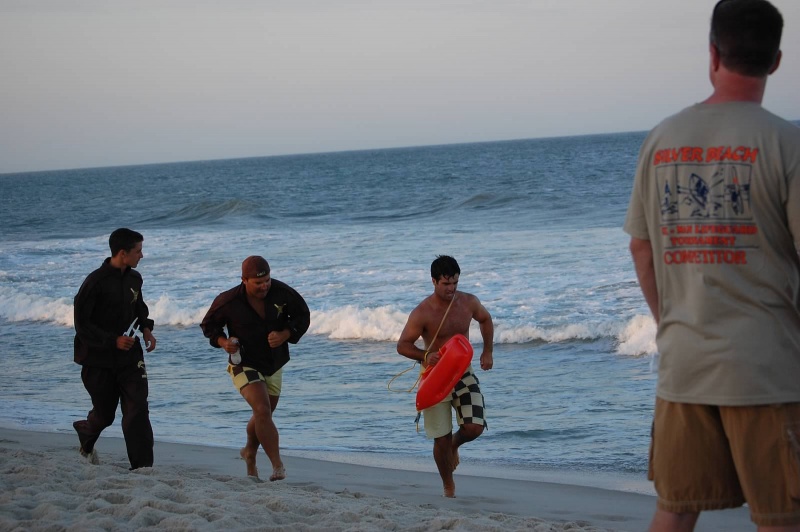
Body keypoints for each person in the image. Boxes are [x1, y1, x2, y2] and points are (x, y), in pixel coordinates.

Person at [624, 1, 800, 529]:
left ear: (713, 55)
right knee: (781, 517)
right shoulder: (786, 143)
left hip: (685, 365)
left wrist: (671, 323)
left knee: (676, 510)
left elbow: (641, 248)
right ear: (776, 61)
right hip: (768, 370)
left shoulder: (662, 139)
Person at [200, 256, 310, 481]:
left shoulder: (283, 293)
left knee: (263, 414)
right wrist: (224, 342)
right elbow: (208, 325)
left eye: (267, 280)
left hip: (274, 363)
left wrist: (285, 334)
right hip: (244, 363)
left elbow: (303, 316)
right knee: (262, 409)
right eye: (258, 283)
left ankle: (249, 452)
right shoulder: (229, 300)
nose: (264, 286)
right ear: (244, 280)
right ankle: (277, 465)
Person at [396, 255, 494, 498]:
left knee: (474, 428)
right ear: (434, 281)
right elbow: (402, 345)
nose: (451, 288)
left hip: (463, 372)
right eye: (446, 284)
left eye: (455, 283)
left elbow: (485, 319)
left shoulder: (469, 302)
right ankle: (448, 486)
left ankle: (455, 444)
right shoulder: (422, 312)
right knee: (440, 438)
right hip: (435, 377)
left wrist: (488, 351)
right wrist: (425, 355)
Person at [73, 228, 158, 470]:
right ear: (123, 253)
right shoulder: (95, 282)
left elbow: (138, 307)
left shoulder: (135, 279)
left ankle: (142, 468)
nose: (142, 255)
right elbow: (82, 324)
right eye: (138, 251)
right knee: (104, 415)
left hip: (130, 356)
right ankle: (85, 432)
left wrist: (146, 329)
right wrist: (113, 341)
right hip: (97, 359)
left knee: (137, 409)